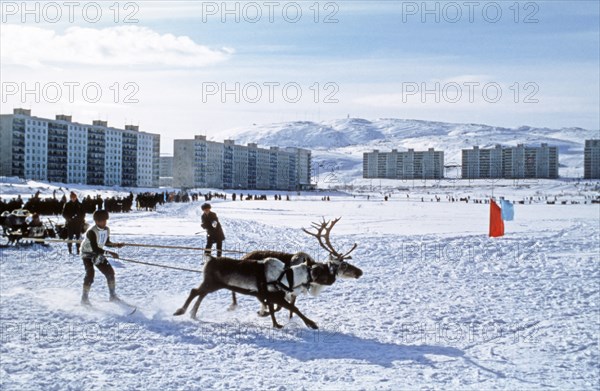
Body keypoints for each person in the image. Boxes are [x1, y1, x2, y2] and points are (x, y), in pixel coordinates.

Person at [80, 209, 124, 305]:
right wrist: (110, 253)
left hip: (97, 253)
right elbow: (95, 248)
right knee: (90, 274)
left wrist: (116, 245)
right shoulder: (91, 231)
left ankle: (112, 296)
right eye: (102, 220)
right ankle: (84, 299)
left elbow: (106, 242)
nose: (104, 222)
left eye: (105, 220)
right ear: (96, 221)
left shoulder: (106, 229)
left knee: (110, 273)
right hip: (87, 254)